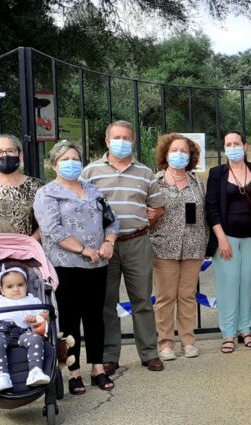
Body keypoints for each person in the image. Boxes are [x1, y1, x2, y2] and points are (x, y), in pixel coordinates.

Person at [81, 120, 165, 373]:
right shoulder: (90, 172)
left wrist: (146, 219)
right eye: (116, 137)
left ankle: (149, 353)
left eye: (126, 138)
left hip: (137, 242)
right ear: (107, 141)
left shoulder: (145, 173)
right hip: (104, 246)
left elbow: (158, 207)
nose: (121, 142)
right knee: (106, 302)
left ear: (133, 142)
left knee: (142, 300)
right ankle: (109, 356)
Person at [34, 140, 118, 394]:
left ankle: (98, 368)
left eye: (75, 159)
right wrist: (83, 249)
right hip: (65, 265)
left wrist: (109, 243)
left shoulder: (94, 190)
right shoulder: (47, 193)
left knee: (95, 317)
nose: (71, 164)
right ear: (54, 165)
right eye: (64, 160)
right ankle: (73, 371)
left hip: (97, 264)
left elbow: (111, 221)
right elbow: (51, 229)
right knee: (69, 319)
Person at [150, 133, 208, 361]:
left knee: (187, 296)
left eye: (184, 151)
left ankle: (188, 340)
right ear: (165, 154)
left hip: (193, 247)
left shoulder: (197, 182)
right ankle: (165, 343)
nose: (179, 155)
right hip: (164, 247)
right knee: (165, 297)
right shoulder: (155, 182)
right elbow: (148, 216)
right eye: (174, 150)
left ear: (191, 156)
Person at [206, 131, 251, 353]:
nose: (233, 147)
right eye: (228, 144)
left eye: (236, 143)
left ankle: (245, 329)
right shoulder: (216, 174)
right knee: (228, 285)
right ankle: (228, 333)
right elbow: (211, 207)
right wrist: (221, 238)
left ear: (245, 146)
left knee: (249, 283)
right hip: (226, 237)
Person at [0, 266, 51, 392]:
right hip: (0, 330)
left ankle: (35, 371)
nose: (16, 289)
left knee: (36, 338)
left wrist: (35, 318)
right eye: (10, 286)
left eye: (20, 285)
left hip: (24, 331)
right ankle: (2, 376)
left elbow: (43, 317)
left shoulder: (32, 300)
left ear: (27, 286)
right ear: (1, 290)